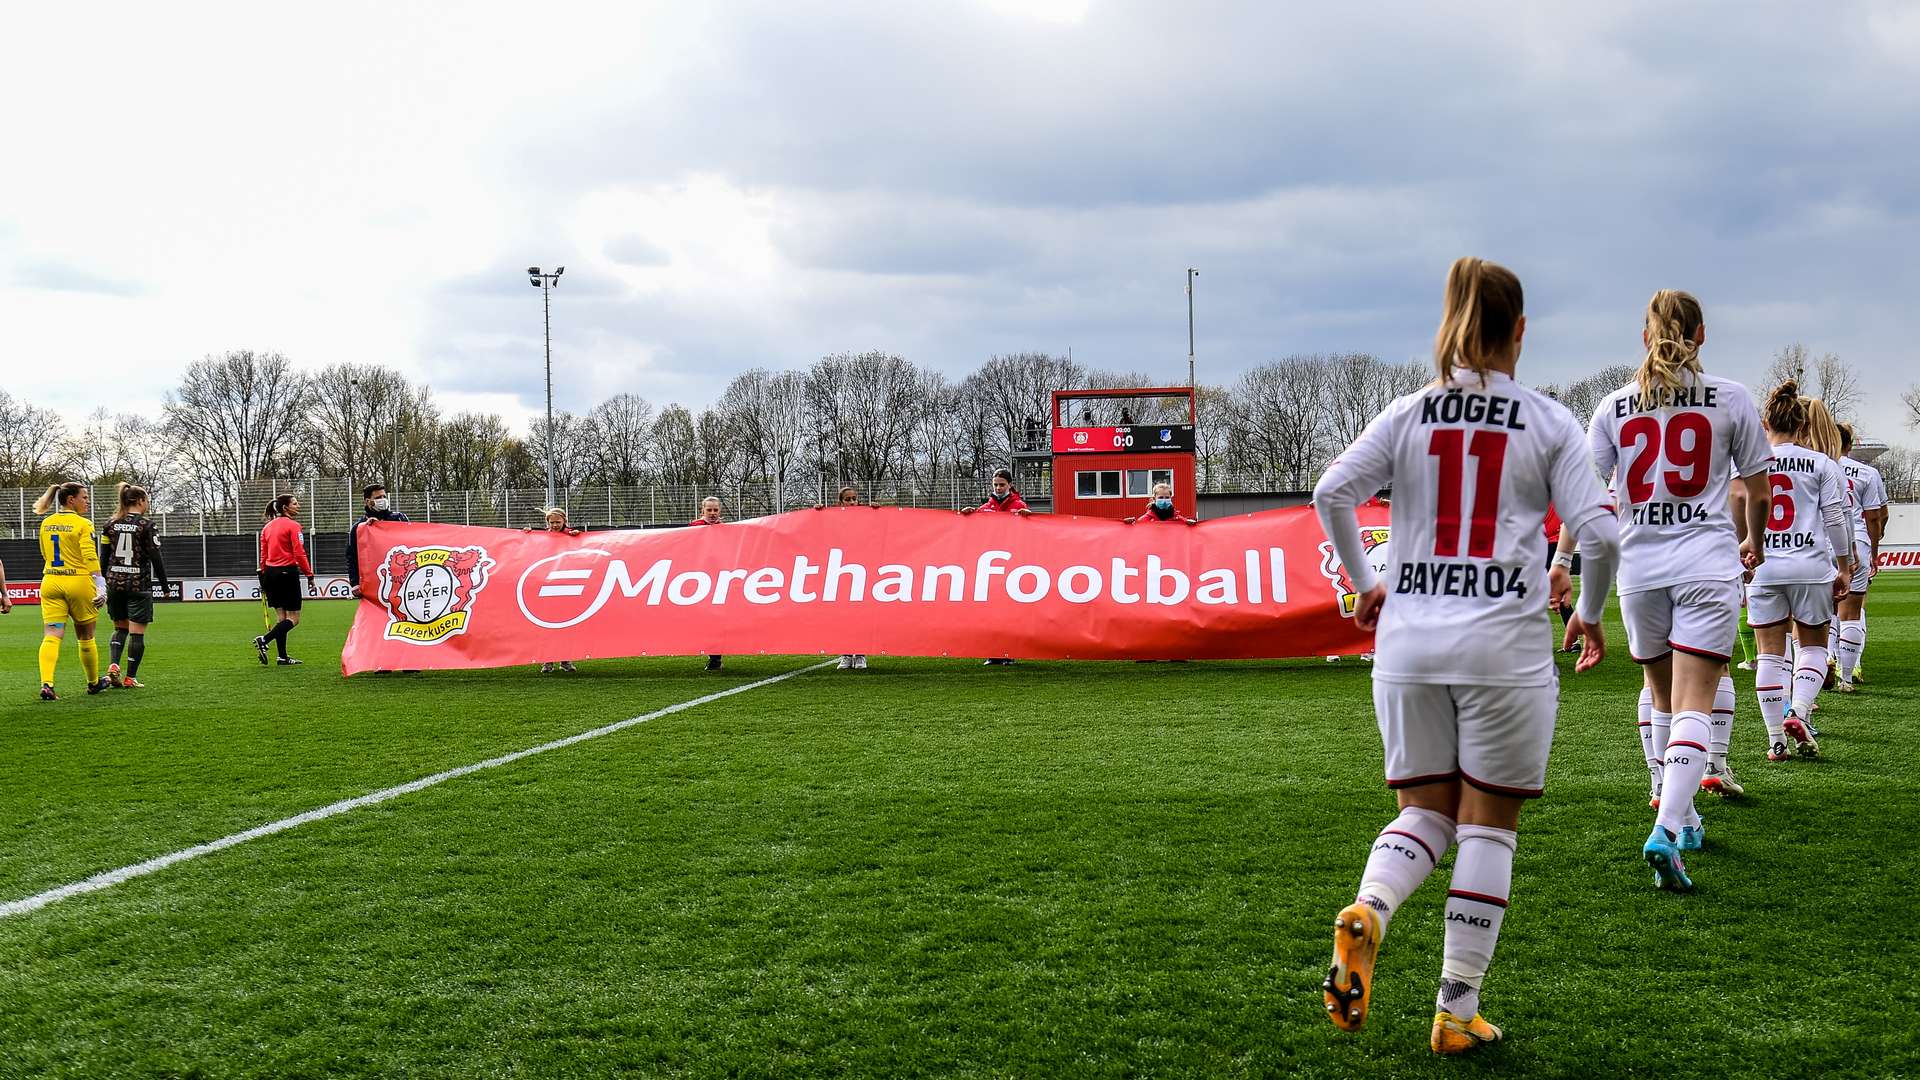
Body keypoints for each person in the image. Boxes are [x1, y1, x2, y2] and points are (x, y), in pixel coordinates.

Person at [1313, 257, 1618, 1055]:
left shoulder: (1408, 412)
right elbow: (1603, 533)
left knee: (1423, 813)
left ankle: (1371, 909)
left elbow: (1331, 493)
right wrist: (1587, 613)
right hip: (1504, 652)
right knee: (1488, 827)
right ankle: (1456, 1009)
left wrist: (1366, 582)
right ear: (1519, 331)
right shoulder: (1549, 421)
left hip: (1408, 645)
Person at [1579, 290, 1771, 890]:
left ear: (1645, 337)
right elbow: (1758, 492)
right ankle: (1666, 827)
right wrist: (1755, 542)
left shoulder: (1613, 406)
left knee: (1660, 698)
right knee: (1695, 704)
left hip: (1640, 572)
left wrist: (1569, 566)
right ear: (1702, 335)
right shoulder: (1732, 397)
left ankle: (1680, 813)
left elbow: (1589, 499)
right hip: (1706, 565)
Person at [1746, 385, 1850, 760]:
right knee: (1812, 647)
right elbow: (1835, 519)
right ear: (1803, 425)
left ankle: (1776, 741)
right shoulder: (1822, 464)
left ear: (1764, 424)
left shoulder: (1751, 463)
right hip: (1810, 566)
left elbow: (1736, 515)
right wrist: (1844, 565)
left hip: (1763, 567)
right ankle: (1800, 711)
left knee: (1769, 656)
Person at [33, 482, 109, 699]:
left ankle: (47, 684)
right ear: (70, 500)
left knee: (52, 635)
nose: (87, 501)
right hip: (77, 582)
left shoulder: (47, 522)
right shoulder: (83, 524)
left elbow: (44, 552)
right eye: (84, 497)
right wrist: (100, 584)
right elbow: (90, 556)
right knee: (86, 636)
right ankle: (93, 683)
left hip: (51, 581)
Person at [1831, 422, 1887, 689]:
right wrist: (1873, 553)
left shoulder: (1820, 466)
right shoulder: (1867, 472)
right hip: (1858, 544)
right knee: (1851, 613)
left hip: (1820, 543)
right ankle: (1846, 677)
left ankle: (1822, 663)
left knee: (1821, 613)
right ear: (1850, 445)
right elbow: (1875, 516)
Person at [101, 482, 169, 689]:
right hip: (139, 584)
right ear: (140, 501)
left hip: (115, 583)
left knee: (120, 629)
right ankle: (130, 678)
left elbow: (103, 558)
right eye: (146, 500)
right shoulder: (147, 526)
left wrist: (105, 582)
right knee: (137, 633)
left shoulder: (110, 524)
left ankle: (114, 665)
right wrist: (165, 586)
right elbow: (156, 558)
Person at [961, 470, 1032, 664]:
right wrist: (969, 515)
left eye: (1002, 484)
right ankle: (992, 653)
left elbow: (1029, 533)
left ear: (1010, 484)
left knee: (1009, 611)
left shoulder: (1019, 506)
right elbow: (975, 533)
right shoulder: (985, 509)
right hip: (990, 566)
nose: (998, 488)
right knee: (990, 611)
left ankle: (1009, 653)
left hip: (1012, 566)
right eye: (995, 485)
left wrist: (1028, 519)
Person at [253, 494, 316, 666]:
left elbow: (263, 555)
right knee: (294, 619)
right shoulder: (294, 526)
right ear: (285, 508)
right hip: (287, 573)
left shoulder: (267, 527)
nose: (298, 506)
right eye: (295, 504)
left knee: (282, 618)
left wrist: (263, 578)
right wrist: (309, 574)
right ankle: (264, 640)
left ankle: (282, 657)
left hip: (270, 574)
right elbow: (299, 553)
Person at [818, 487, 873, 669]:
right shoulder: (834, 520)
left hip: (862, 572)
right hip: (840, 572)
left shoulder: (867, 517)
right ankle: (846, 654)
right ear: (841, 502)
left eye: (854, 499)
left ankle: (861, 654)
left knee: (861, 613)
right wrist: (819, 514)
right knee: (843, 614)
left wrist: (877, 514)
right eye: (848, 500)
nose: (852, 503)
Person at [526, 506, 584, 673]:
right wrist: (527, 534)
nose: (555, 525)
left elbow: (581, 546)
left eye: (558, 522)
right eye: (552, 522)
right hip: (547, 586)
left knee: (566, 627)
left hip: (567, 587)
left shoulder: (572, 535)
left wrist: (576, 535)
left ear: (564, 521)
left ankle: (565, 660)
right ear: (547, 522)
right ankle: (547, 661)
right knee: (547, 628)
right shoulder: (542, 536)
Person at [345, 483, 409, 599]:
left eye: (384, 497)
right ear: (368, 501)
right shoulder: (359, 527)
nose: (383, 500)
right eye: (378, 498)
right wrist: (354, 583)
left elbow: (412, 543)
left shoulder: (400, 518)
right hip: (373, 581)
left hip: (401, 578)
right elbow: (352, 556)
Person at [692, 497, 726, 671]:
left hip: (721, 580)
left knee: (718, 619)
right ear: (702, 511)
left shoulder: (728, 530)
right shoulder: (692, 529)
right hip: (697, 580)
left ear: (720, 511)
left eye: (715, 510)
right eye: (709, 510)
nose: (712, 514)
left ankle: (715, 658)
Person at [1123, 482, 1196, 525]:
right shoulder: (1147, 518)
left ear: (1171, 498)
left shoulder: (1177, 518)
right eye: (1161, 497)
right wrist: (1128, 523)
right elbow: (1135, 527)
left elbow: (1189, 529)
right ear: (1154, 499)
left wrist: (1191, 524)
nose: (1164, 500)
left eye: (1167, 497)